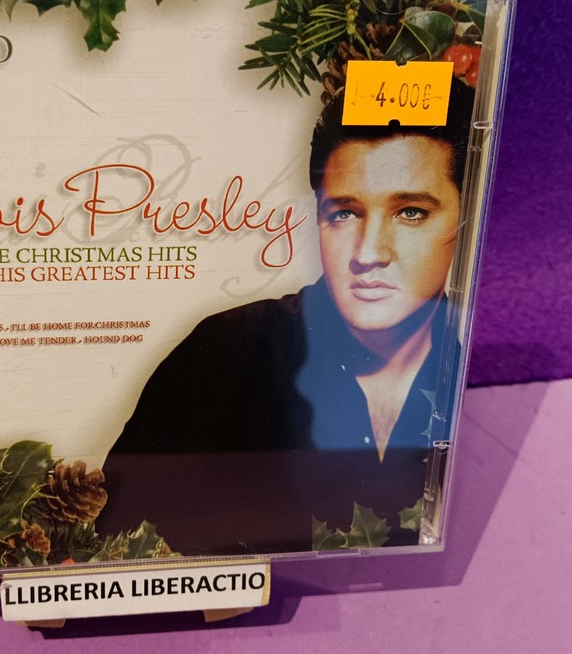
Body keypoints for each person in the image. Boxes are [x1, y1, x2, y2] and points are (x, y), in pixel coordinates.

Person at [98, 78, 475, 556]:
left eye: (412, 212)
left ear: (466, 219)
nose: (369, 253)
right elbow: (113, 552)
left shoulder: (471, 374)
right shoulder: (225, 353)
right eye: (345, 214)